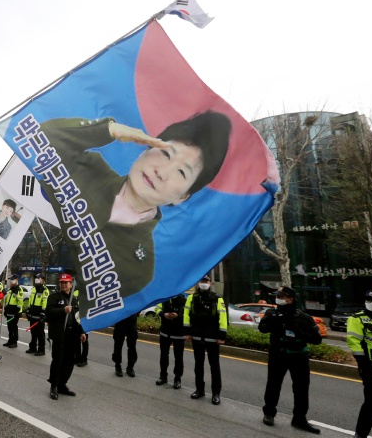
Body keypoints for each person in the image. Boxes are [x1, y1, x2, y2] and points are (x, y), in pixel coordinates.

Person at [37, 112, 231, 307]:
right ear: (145, 148)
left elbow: (102, 308)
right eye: (165, 153)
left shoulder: (141, 268)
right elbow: (38, 138)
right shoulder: (88, 168)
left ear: (183, 196)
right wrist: (109, 129)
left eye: (181, 172)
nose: (162, 172)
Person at [259, 286, 321, 433]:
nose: (278, 299)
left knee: (301, 388)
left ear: (290, 299)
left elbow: (317, 339)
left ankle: (299, 418)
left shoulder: (303, 317)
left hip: (298, 356)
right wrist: (276, 321)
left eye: (281, 296)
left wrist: (298, 331)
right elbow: (262, 328)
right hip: (278, 355)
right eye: (278, 296)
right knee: (273, 384)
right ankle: (269, 413)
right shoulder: (271, 313)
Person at [184, 275, 227, 405]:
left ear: (210, 283)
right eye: (202, 281)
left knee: (214, 366)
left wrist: (222, 336)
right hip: (196, 336)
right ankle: (199, 389)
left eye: (206, 281)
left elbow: (223, 318)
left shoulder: (217, 298)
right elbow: (186, 316)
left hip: (212, 338)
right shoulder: (192, 298)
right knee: (198, 365)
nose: (204, 283)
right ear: (198, 283)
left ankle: (216, 393)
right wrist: (187, 332)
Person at [348, 290, 372, 438]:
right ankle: (360, 435)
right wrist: (365, 368)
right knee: (371, 405)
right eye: (369, 300)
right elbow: (354, 343)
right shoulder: (357, 319)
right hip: (371, 368)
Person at [46, 273, 86, 400]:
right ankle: (54, 386)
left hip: (72, 335)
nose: (64, 285)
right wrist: (63, 310)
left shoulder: (73, 299)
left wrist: (82, 332)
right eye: (62, 283)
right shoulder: (54, 297)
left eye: (66, 282)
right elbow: (49, 312)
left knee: (69, 361)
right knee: (58, 360)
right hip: (59, 334)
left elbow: (77, 318)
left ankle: (63, 384)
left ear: (71, 284)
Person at [155, 293, 187, 389]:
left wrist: (178, 316)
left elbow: (188, 314)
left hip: (178, 333)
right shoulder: (165, 297)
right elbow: (157, 309)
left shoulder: (184, 300)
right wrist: (163, 314)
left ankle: (177, 379)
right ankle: (163, 376)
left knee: (178, 357)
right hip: (165, 332)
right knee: (164, 355)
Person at [26, 273, 49, 356]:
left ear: (42, 280)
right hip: (33, 314)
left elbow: (45, 302)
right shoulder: (34, 288)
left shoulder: (44, 290)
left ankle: (41, 350)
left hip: (39, 315)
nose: (37, 279)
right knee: (33, 332)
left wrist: (43, 313)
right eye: (36, 278)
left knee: (40, 333)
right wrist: (28, 310)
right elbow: (30, 300)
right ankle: (33, 348)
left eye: (38, 278)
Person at [112, 313, 139, 378]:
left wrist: (136, 313)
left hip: (132, 322)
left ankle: (130, 367)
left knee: (132, 347)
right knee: (118, 345)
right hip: (120, 322)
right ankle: (117, 366)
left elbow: (139, 304)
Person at [2, 274, 23, 348]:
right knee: (9, 327)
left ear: (17, 280)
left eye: (13, 279)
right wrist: (6, 309)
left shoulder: (19, 289)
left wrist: (17, 312)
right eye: (11, 279)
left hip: (15, 312)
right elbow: (8, 300)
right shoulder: (11, 289)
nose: (11, 281)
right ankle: (10, 340)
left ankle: (14, 342)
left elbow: (20, 302)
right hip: (9, 311)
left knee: (14, 327)